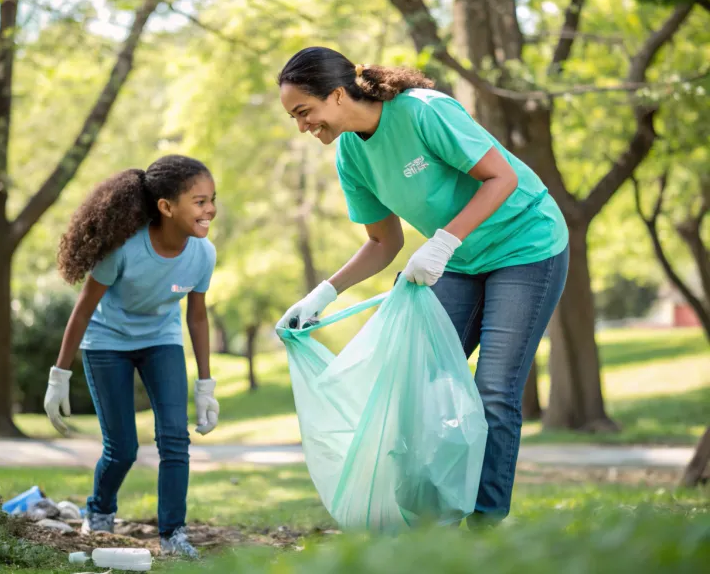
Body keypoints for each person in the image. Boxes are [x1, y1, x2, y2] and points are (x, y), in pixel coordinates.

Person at [276, 47, 569, 527]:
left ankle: (484, 528)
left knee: (494, 390)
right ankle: (427, 522)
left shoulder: (424, 112)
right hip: (456, 257)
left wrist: (442, 244)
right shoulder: (351, 155)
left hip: (525, 245)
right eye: (294, 117)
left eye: (304, 112)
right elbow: (382, 241)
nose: (302, 127)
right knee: (414, 385)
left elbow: (502, 178)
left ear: (335, 95)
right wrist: (322, 295)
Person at [44, 155, 219, 557]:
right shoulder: (124, 248)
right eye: (199, 201)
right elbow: (84, 308)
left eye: (212, 199)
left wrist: (205, 385)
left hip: (161, 339)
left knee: (175, 438)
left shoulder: (203, 254)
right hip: (107, 342)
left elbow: (197, 316)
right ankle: (100, 510)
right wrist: (59, 376)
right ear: (166, 206)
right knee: (122, 449)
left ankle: (173, 534)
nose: (210, 209)